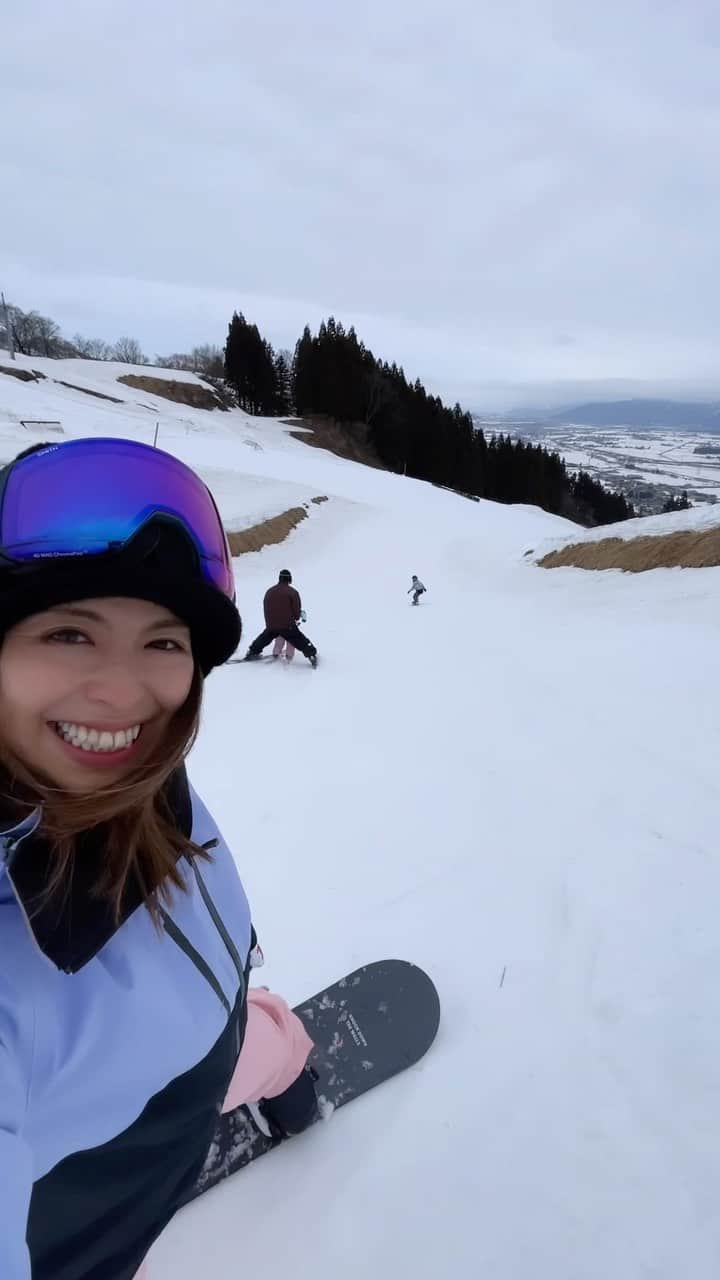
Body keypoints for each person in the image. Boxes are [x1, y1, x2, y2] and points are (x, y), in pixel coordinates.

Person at [0, 438, 319, 1280]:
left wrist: (267, 1039)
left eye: (164, 643)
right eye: (70, 633)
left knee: (265, 1041)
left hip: (214, 1034)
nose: (123, 691)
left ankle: (284, 1056)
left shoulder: (127, 768)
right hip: (97, 1207)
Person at [245, 570, 317, 667]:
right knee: (299, 639)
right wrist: (295, 618)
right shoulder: (292, 592)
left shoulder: (269, 591)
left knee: (265, 637)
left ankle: (252, 651)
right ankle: (311, 654)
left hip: (271, 624)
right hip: (287, 625)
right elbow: (296, 612)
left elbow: (266, 607)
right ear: (289, 579)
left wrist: (270, 622)